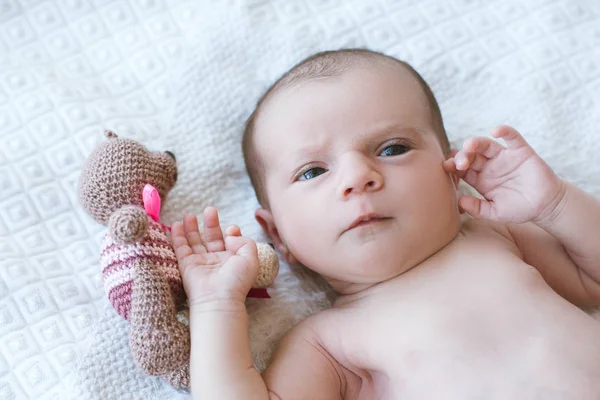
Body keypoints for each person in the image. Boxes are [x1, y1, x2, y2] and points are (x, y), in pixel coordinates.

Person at [171, 49, 600, 399]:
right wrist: (215, 307)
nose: (358, 176)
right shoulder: (328, 343)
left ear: (452, 172)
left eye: (392, 148)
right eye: (312, 172)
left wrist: (555, 204)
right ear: (279, 236)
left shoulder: (500, 239)